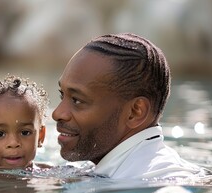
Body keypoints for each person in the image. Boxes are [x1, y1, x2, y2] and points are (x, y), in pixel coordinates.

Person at [52, 33, 204, 179]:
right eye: (61, 95)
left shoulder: (159, 178)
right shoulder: (113, 169)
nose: (57, 113)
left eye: (77, 100)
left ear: (135, 112)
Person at [0, 75, 50, 171]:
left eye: (25, 133)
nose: (13, 143)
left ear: (40, 136)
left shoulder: (50, 173)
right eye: (0, 134)